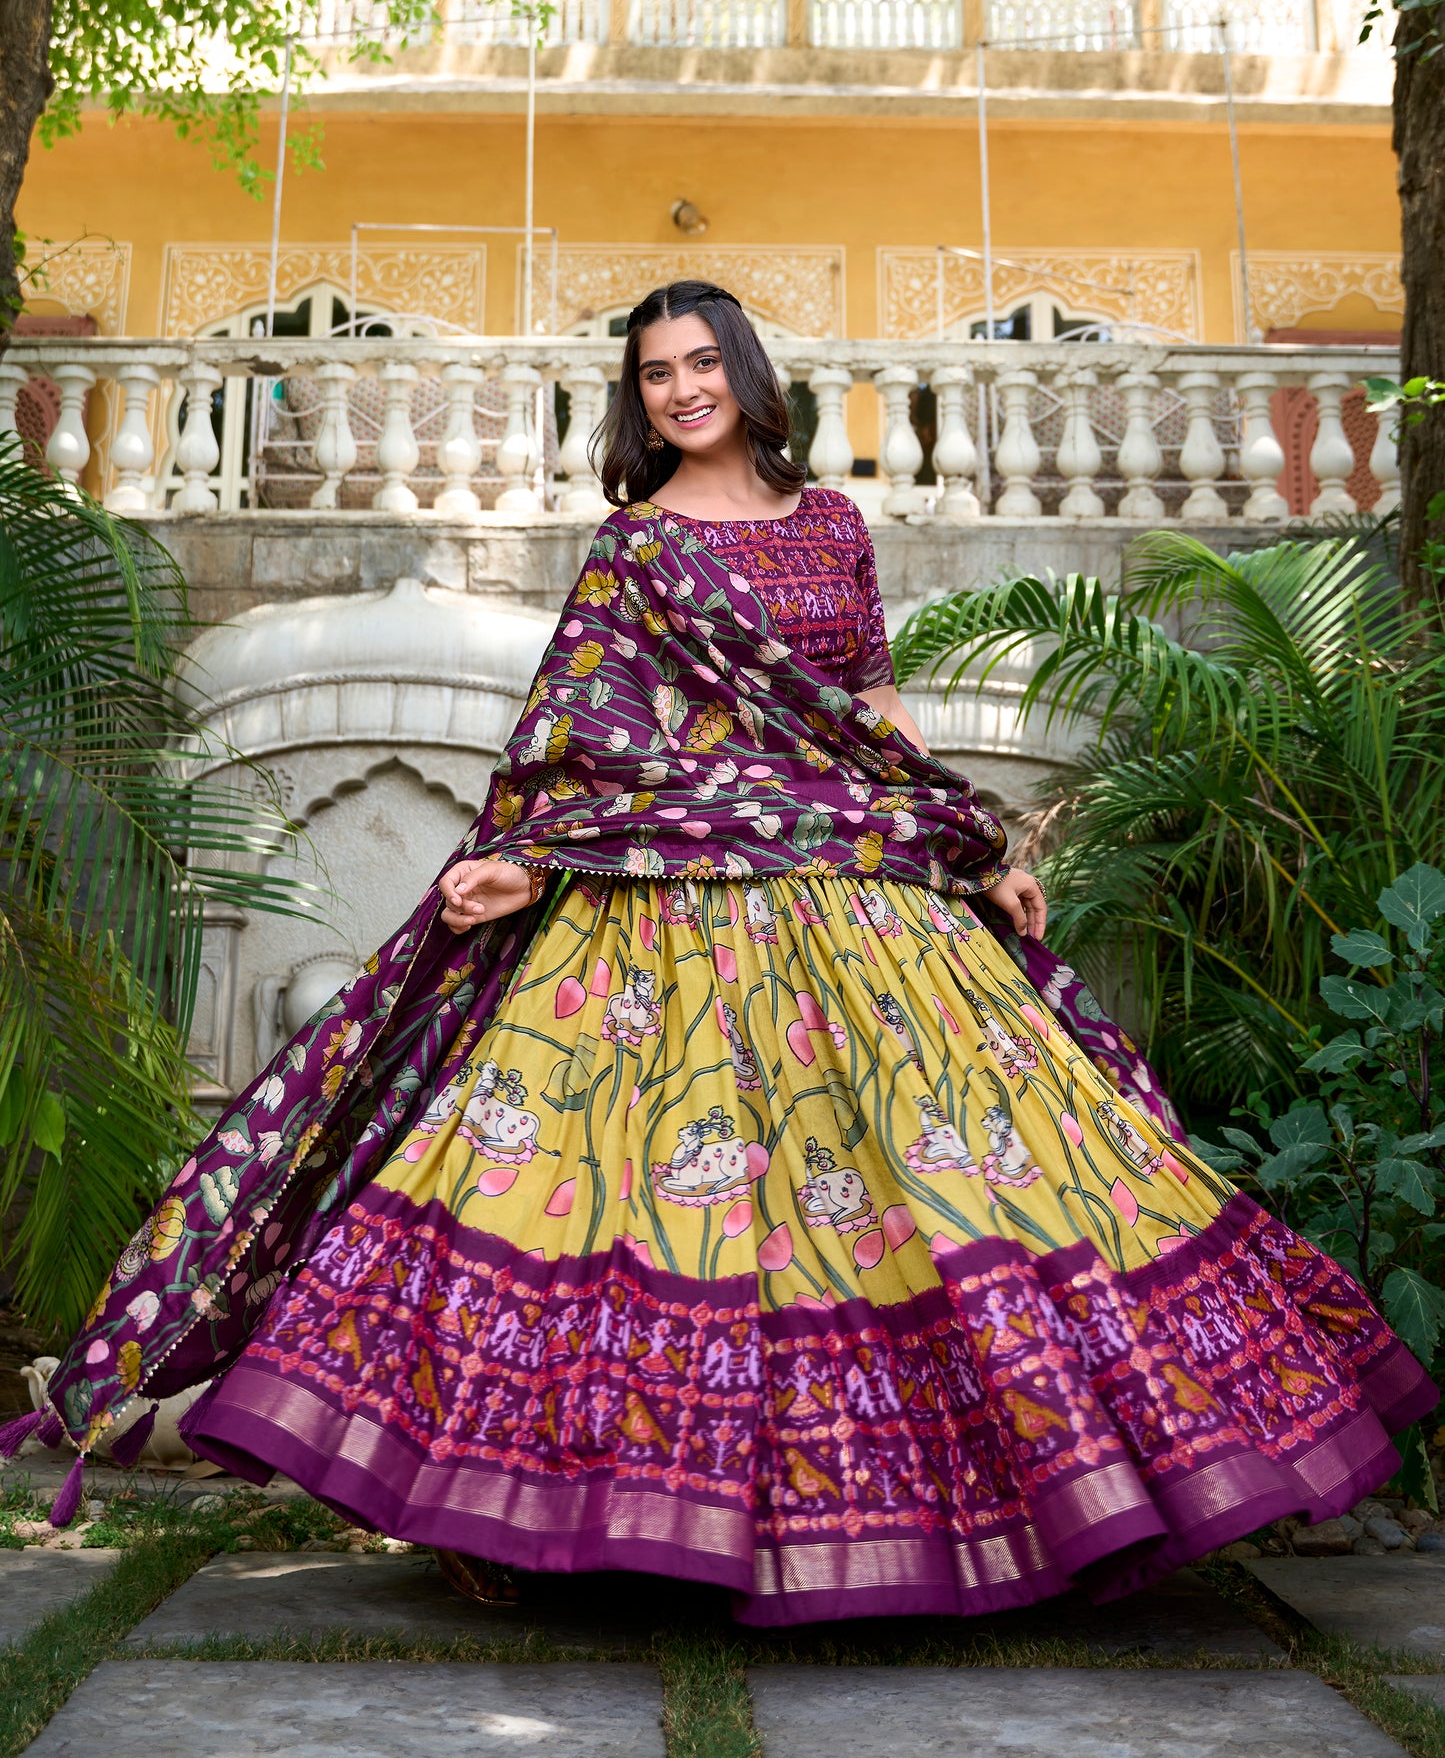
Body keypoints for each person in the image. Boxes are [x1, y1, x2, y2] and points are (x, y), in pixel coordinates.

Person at [37, 280, 1434, 1622]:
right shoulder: (636, 547)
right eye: (656, 373)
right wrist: (524, 852)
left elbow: (871, 705)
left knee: (957, 1169)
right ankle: (567, 1517)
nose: (683, 389)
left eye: (702, 364)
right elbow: (577, 731)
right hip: (656, 907)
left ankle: (1015, 1494)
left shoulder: (832, 525)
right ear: (636, 399)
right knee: (606, 1188)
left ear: (745, 375)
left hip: (856, 888)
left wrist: (976, 842)